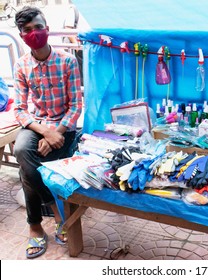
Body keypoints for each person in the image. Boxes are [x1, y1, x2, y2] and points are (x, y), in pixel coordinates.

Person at [13, 6, 82, 259]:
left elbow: (76, 106)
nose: (34, 33)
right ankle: (54, 211)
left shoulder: (67, 60)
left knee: (27, 169)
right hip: (38, 124)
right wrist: (45, 133)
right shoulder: (21, 65)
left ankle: (34, 226)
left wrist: (57, 133)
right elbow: (20, 109)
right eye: (28, 30)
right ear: (21, 36)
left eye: (38, 27)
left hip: (64, 126)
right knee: (22, 149)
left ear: (47, 29)